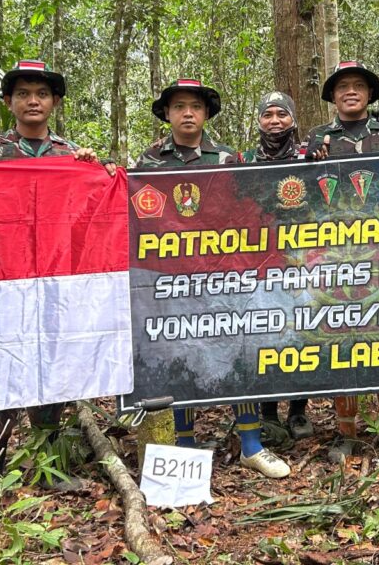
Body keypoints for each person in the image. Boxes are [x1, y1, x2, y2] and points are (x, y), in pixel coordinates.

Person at [137, 78, 291, 479]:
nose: (187, 113)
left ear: (206, 114)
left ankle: (251, 445)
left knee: (237, 350)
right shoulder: (149, 162)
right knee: (180, 354)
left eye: (195, 107)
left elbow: (247, 210)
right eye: (179, 107)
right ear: (167, 114)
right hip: (171, 279)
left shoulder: (227, 158)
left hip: (222, 275)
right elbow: (137, 213)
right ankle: (186, 446)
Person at [0, 60, 112, 472]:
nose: (33, 101)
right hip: (0, 283)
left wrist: (96, 172)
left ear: (55, 103)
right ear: (8, 101)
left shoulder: (70, 154)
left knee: (52, 365)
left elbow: (91, 213)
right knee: (0, 368)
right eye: (24, 94)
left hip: (52, 282)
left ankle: (47, 460)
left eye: (42, 94)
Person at [304, 61, 379, 464]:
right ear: (333, 96)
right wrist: (308, 161)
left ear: (370, 94)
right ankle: (346, 433)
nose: (351, 92)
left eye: (359, 85)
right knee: (342, 336)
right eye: (343, 87)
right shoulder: (318, 138)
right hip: (335, 253)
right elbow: (298, 190)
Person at [241, 91, 313, 443]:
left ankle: (298, 410)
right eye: (267, 114)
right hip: (261, 260)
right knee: (266, 333)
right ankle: (268, 413)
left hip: (304, 258)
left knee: (302, 331)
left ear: (293, 120)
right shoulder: (243, 161)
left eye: (281, 114)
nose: (274, 121)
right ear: (258, 120)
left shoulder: (310, 157)